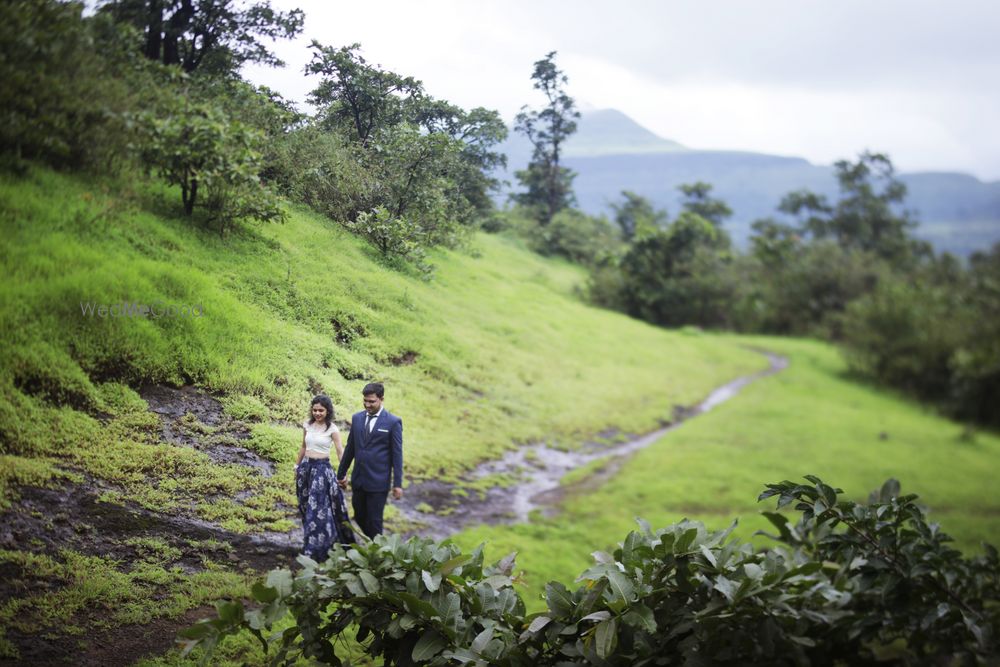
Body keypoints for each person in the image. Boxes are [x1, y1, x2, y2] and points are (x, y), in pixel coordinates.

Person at [336, 382, 403, 539]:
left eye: (371, 401)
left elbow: (397, 455)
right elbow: (350, 448)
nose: (367, 404)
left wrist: (397, 484)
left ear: (381, 399)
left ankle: (377, 553)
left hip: (378, 482)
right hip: (359, 479)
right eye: (365, 401)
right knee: (359, 516)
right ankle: (377, 545)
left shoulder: (393, 422)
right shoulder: (357, 418)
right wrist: (341, 473)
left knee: (374, 520)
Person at [295, 395, 355, 560]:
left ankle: (317, 551)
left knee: (318, 510)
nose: (317, 413)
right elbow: (303, 446)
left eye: (321, 410)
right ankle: (311, 542)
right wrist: (296, 466)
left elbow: (340, 451)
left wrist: (343, 474)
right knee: (306, 508)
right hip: (306, 470)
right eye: (315, 410)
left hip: (322, 472)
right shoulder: (307, 425)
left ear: (327, 411)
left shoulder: (332, 429)